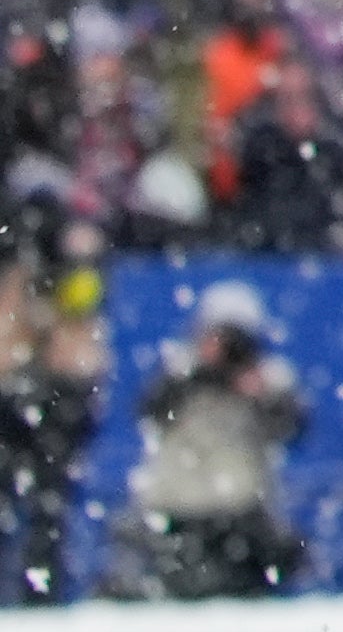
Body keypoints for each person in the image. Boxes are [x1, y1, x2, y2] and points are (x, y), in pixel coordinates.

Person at [122, 283, 311, 600]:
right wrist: (200, 373)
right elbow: (150, 410)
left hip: (240, 512)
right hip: (177, 510)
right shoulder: (179, 373)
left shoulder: (268, 381)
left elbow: (292, 427)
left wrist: (256, 392)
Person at [0, 240, 110, 607]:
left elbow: (79, 346)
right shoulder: (21, 279)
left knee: (47, 513)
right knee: (36, 509)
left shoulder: (72, 275)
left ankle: (40, 594)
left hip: (55, 401)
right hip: (21, 401)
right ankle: (37, 590)